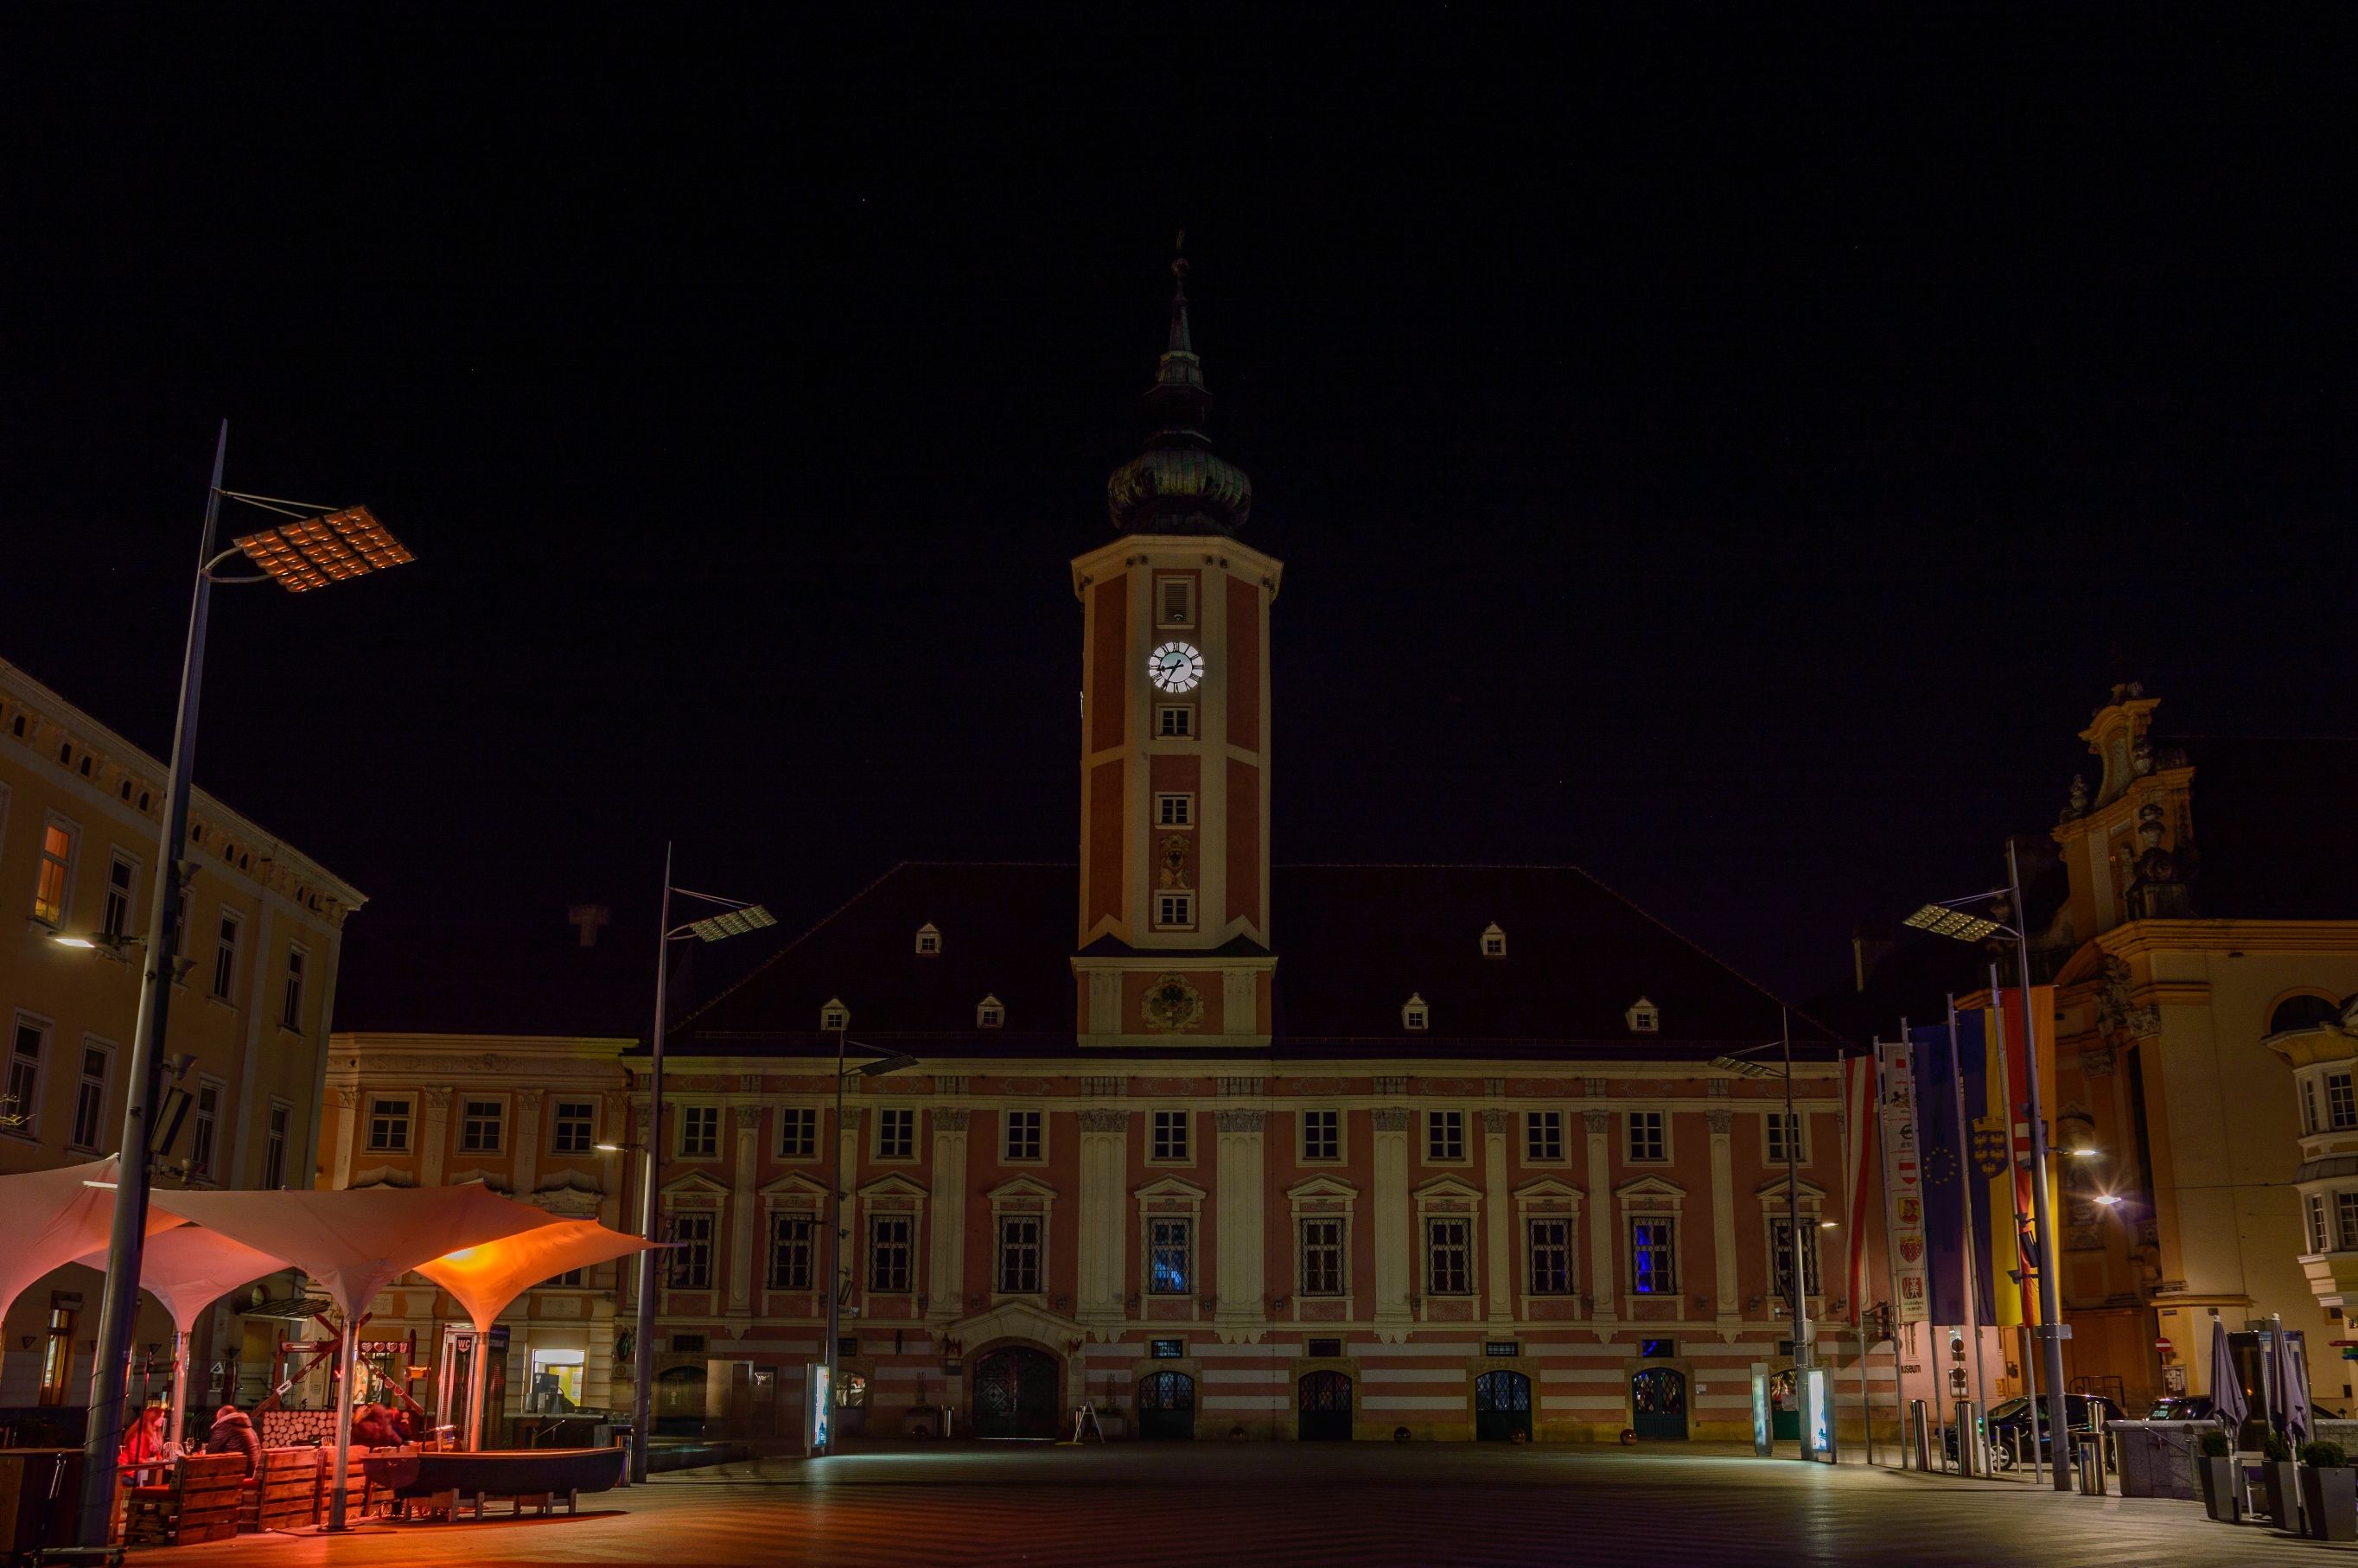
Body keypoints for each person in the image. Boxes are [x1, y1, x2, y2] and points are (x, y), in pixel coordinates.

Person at [203, 1403, 263, 1477]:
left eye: (217, 1419)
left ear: (221, 1418)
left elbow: (210, 1453)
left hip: (239, 1476)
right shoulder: (248, 1428)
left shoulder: (225, 1426)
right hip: (253, 1473)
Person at [118, 1405, 168, 1469]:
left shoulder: (156, 1434)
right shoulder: (139, 1434)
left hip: (143, 1469)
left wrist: (160, 1460)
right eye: (160, 1417)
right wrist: (151, 1463)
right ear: (152, 1417)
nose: (163, 1419)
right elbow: (134, 1458)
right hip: (128, 1470)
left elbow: (156, 1453)